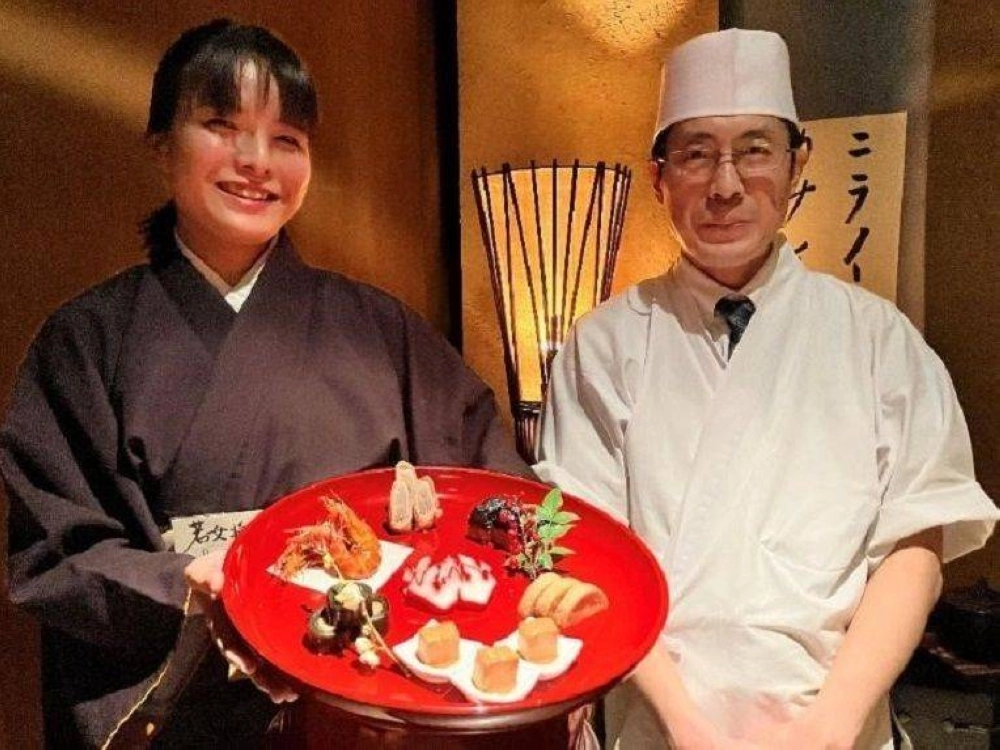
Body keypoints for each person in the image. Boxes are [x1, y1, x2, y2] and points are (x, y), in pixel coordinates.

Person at [2, 19, 535, 748]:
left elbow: (499, 498)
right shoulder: (85, 342)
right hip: (177, 707)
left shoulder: (379, 330)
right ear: (163, 146)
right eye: (222, 125)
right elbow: (56, 552)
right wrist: (191, 583)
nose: (257, 161)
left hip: (360, 709)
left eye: (287, 139)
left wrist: (431, 518)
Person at [534, 28, 998, 749]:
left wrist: (831, 728)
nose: (725, 184)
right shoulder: (603, 345)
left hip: (839, 729)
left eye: (754, 149)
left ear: (796, 164)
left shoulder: (879, 341)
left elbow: (916, 546)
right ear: (659, 177)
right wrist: (687, 729)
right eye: (695, 153)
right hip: (659, 731)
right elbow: (592, 552)